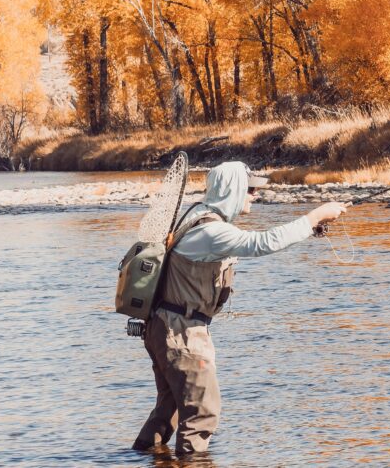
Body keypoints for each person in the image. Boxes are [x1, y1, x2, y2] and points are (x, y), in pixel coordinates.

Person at [132, 161, 347, 455]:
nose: (255, 194)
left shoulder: (197, 214)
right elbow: (262, 242)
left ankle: (141, 456)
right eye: (250, 189)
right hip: (181, 333)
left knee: (169, 408)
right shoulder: (212, 232)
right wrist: (314, 217)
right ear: (232, 190)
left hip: (164, 326)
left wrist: (309, 230)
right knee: (202, 413)